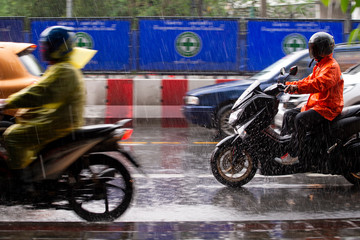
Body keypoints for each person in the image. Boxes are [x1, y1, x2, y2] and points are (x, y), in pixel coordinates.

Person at [1, 26, 85, 181]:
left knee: (12, 136)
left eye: (46, 46)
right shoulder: (60, 68)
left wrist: (7, 103)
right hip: (59, 119)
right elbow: (39, 92)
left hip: (59, 122)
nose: (42, 50)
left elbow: (39, 94)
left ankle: (24, 183)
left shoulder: (63, 70)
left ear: (57, 47)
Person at [275, 32, 344, 165]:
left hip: (328, 108)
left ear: (323, 49)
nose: (312, 51)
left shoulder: (331, 67)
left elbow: (318, 83)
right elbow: (307, 80)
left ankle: (295, 155)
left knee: (300, 119)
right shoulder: (320, 65)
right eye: (312, 48)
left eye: (315, 48)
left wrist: (297, 88)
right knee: (289, 115)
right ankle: (284, 148)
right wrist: (288, 85)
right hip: (317, 105)